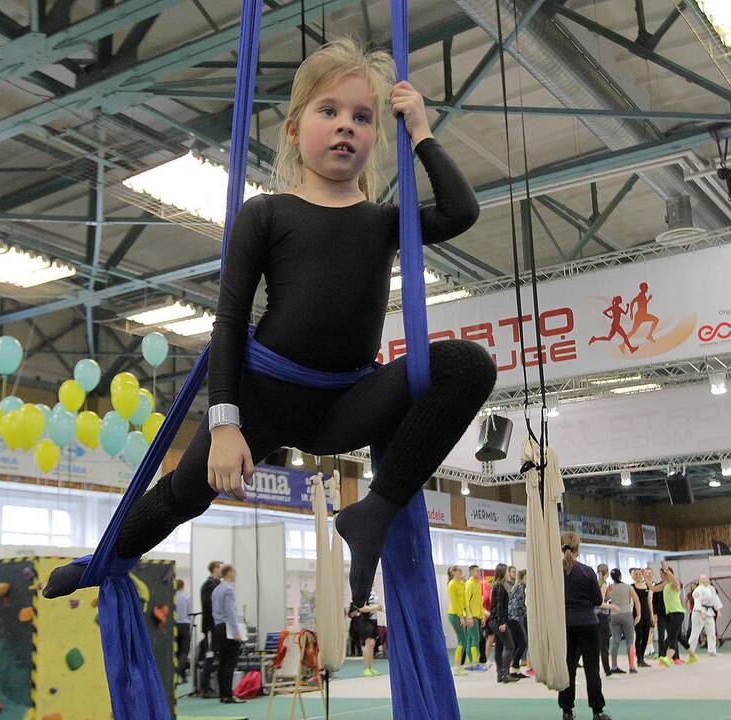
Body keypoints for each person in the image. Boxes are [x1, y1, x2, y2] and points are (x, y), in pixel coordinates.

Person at [43, 39, 493, 617]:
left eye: (362, 118)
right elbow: (228, 323)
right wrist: (224, 421)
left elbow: (461, 212)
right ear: (292, 128)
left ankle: (376, 509)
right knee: (184, 493)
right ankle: (103, 561)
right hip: (263, 397)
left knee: (468, 364)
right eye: (328, 111)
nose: (345, 127)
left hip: (342, 405)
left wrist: (422, 131)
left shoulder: (386, 222)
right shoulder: (267, 214)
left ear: (377, 138)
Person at [558, 532, 611, 720]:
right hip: (588, 624)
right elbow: (598, 600)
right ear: (578, 549)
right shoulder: (587, 571)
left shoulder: (555, 573)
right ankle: (597, 711)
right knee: (592, 669)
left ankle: (567, 711)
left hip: (566, 624)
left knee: (568, 669)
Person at [210, 564, 245, 704]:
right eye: (235, 573)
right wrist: (236, 631)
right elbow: (230, 611)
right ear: (229, 573)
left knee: (222, 662)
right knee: (230, 663)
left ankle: (223, 695)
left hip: (218, 627)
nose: (236, 575)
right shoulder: (229, 589)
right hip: (228, 628)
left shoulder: (216, 589)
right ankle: (228, 695)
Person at [487, 564, 519, 684]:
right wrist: (502, 622)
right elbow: (499, 606)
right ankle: (505, 674)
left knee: (500, 646)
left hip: (494, 620)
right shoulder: (500, 586)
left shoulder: (496, 585)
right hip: (498, 620)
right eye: (506, 571)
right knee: (510, 645)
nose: (508, 574)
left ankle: (500, 674)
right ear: (502, 573)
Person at [605, 569, 641, 674]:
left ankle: (614, 666)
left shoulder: (610, 587)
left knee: (615, 641)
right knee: (630, 641)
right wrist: (638, 614)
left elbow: (606, 598)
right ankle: (631, 666)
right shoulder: (628, 587)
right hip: (626, 614)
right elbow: (636, 600)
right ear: (620, 576)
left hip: (614, 615)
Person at [199, 561, 223, 697]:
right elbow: (208, 604)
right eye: (220, 567)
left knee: (215, 655)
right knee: (210, 655)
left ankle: (212, 687)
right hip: (210, 626)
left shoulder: (218, 584)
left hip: (217, 626)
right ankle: (205, 688)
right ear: (215, 569)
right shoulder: (209, 584)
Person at [687, 574, 723, 660]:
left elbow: (715, 599)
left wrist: (718, 611)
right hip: (699, 613)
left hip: (709, 612)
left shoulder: (712, 589)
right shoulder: (697, 590)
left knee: (711, 632)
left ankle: (712, 650)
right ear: (700, 581)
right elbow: (697, 601)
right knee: (695, 633)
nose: (705, 580)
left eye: (706, 579)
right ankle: (691, 652)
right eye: (703, 579)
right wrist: (701, 612)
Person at [656, 566, 686, 667]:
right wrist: (648, 580)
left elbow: (675, 582)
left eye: (663, 574)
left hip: (676, 613)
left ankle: (671, 658)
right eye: (660, 574)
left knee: (673, 637)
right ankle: (666, 658)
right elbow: (654, 590)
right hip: (666, 614)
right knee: (672, 637)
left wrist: (666, 569)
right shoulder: (663, 584)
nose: (661, 576)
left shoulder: (675, 583)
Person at [350, 589, 383, 677]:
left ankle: (370, 667)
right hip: (365, 621)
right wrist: (375, 608)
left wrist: (380, 609)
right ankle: (366, 668)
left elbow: (377, 605)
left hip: (373, 621)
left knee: (372, 644)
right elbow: (361, 608)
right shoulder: (362, 592)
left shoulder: (373, 592)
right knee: (368, 644)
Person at [446, 566, 471, 676]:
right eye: (459, 571)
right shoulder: (451, 584)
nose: (461, 572)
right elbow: (454, 602)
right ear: (453, 573)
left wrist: (466, 615)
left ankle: (459, 666)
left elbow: (465, 601)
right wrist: (460, 616)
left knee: (463, 640)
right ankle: (457, 666)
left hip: (462, 614)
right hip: (454, 614)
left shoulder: (461, 584)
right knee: (462, 640)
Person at [465, 565, 487, 670]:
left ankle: (470, 663)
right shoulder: (469, 584)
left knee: (470, 639)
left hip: (477, 616)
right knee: (476, 639)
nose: (479, 573)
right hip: (471, 616)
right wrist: (468, 617)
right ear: (471, 572)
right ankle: (474, 662)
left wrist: (482, 616)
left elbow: (479, 603)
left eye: (479, 571)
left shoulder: (477, 584)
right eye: (477, 571)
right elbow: (466, 602)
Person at [508, 569, 528, 677]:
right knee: (522, 644)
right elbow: (517, 604)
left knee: (518, 644)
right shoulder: (520, 587)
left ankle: (516, 669)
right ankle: (514, 667)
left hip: (513, 617)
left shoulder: (517, 586)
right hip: (515, 618)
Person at [595, 563, 614, 676]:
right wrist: (613, 607)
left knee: (597, 645)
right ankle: (607, 670)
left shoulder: (596, 583)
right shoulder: (603, 584)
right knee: (604, 645)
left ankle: (598, 670)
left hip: (595, 616)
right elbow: (600, 602)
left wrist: (608, 592)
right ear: (607, 573)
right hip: (602, 616)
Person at [631, 568, 652, 668]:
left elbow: (649, 602)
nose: (638, 576)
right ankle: (638, 659)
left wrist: (651, 615)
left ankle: (642, 658)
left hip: (646, 613)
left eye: (640, 574)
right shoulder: (632, 587)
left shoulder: (647, 586)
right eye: (636, 574)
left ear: (642, 575)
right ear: (633, 576)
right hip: (636, 614)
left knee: (645, 636)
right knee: (638, 636)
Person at [175, 579, 192, 684]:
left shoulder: (172, 596)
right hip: (184, 624)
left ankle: (183, 675)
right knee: (184, 651)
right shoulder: (186, 597)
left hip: (174, 625)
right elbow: (189, 612)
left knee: (176, 651)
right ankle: (178, 672)